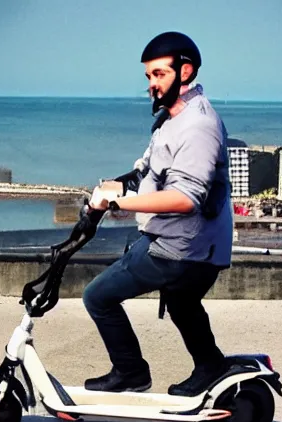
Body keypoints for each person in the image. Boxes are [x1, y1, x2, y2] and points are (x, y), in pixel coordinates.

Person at [83, 31, 233, 397]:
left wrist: (118, 204)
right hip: (186, 243)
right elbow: (147, 172)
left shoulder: (198, 126)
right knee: (183, 304)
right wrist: (110, 189)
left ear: (185, 72)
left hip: (181, 248)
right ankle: (210, 365)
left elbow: (185, 198)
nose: (151, 84)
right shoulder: (172, 118)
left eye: (159, 75)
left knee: (97, 297)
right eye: (148, 77)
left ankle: (130, 371)